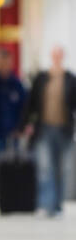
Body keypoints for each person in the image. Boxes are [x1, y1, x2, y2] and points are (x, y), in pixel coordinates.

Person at [22, 45, 76, 217]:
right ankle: (47, 204)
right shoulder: (42, 78)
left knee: (61, 168)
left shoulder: (70, 79)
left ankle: (57, 204)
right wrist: (24, 125)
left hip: (64, 130)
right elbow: (31, 103)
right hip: (44, 129)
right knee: (45, 168)